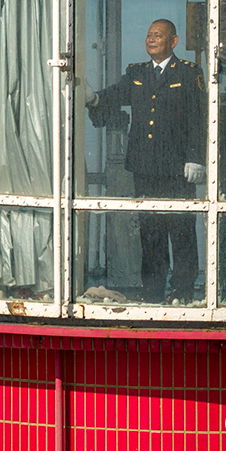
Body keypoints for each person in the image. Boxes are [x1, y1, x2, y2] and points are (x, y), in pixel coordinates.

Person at [83, 19, 207, 302]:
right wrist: (94, 98)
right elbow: (117, 95)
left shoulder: (189, 74)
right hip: (145, 168)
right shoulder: (137, 72)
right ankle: (152, 292)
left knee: (182, 232)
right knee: (150, 233)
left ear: (173, 42)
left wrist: (196, 159)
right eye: (149, 34)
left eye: (158, 35)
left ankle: (183, 292)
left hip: (178, 170)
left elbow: (199, 119)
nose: (151, 39)